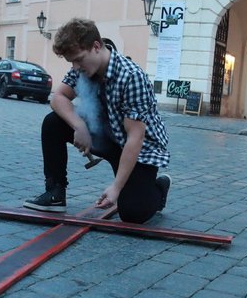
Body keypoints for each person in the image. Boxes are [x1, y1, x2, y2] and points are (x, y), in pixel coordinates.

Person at [23, 18, 171, 223]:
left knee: (133, 213)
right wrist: (80, 126)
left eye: (79, 59)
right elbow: (58, 98)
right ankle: (55, 193)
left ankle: (159, 188)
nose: (75, 66)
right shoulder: (81, 67)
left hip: (138, 149)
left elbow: (135, 138)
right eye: (71, 62)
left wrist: (116, 188)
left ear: (96, 46)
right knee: (53, 123)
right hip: (106, 137)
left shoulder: (131, 76)